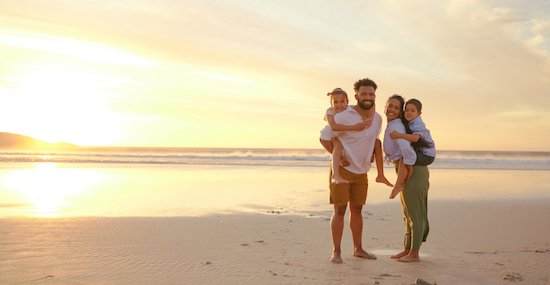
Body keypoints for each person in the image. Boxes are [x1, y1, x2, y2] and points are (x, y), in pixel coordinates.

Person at [319, 78, 389, 264]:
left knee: (357, 209)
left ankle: (358, 249)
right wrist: (339, 157)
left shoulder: (378, 119)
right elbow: (324, 137)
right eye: (364, 94)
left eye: (371, 94)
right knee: (339, 210)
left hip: (362, 171)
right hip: (342, 170)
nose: (368, 97)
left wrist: (374, 159)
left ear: (375, 96)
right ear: (356, 96)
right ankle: (337, 251)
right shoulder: (343, 116)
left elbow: (374, 140)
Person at [383, 94, 430, 262]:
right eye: (390, 106)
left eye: (397, 107)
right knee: (407, 212)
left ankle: (414, 253)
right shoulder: (394, 125)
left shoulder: (397, 127)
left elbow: (406, 149)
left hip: (413, 172)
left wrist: (408, 170)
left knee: (414, 213)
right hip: (407, 170)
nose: (392, 110)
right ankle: (407, 249)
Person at [388, 98, 435, 199]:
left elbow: (415, 138)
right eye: (407, 110)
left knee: (404, 159)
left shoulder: (418, 123)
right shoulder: (410, 122)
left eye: (412, 111)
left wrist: (398, 135)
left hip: (427, 156)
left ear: (419, 113)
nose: (409, 112)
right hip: (423, 153)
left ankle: (398, 185)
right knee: (405, 157)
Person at [323, 88, 370, 184]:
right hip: (331, 136)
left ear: (347, 102)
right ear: (331, 103)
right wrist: (355, 127)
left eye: (342, 101)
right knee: (338, 146)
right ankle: (336, 175)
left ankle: (339, 166)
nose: (339, 105)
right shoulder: (330, 111)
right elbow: (333, 126)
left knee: (341, 148)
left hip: (340, 135)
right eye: (335, 102)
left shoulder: (349, 110)